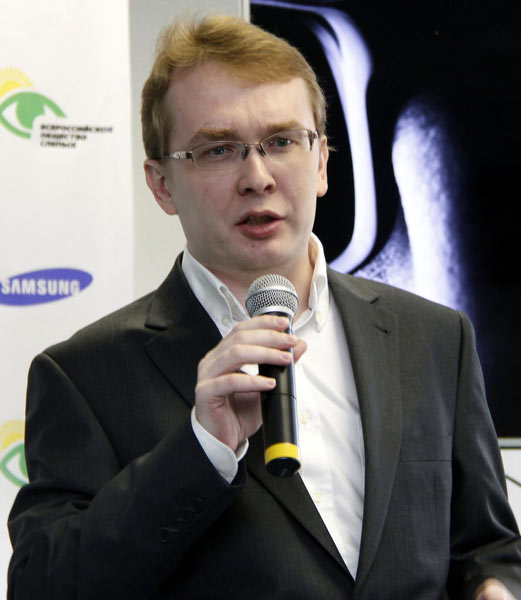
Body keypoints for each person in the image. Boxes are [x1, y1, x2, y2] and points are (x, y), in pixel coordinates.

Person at [7, 14, 521, 600]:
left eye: (281, 142)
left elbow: (488, 547)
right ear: (161, 184)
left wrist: (494, 586)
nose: (258, 178)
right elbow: (42, 586)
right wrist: (201, 450)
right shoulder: (83, 376)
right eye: (218, 149)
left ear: (321, 162)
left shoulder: (434, 337)